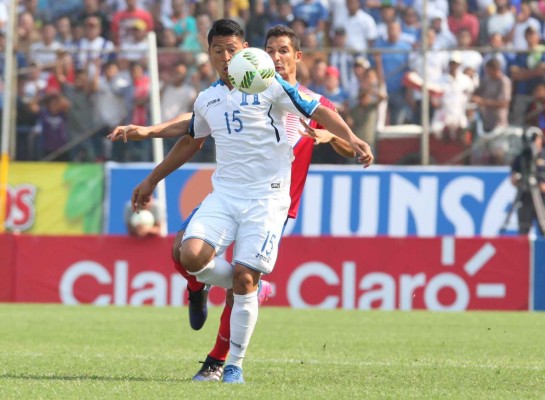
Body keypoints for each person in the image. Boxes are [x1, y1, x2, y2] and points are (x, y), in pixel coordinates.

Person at [109, 20, 372, 384]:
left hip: (271, 200)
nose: (277, 58)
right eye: (272, 50)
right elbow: (195, 128)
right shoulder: (215, 95)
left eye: (284, 51)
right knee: (185, 253)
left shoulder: (286, 93)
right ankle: (203, 287)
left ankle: (224, 363)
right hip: (228, 194)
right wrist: (151, 146)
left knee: (243, 279)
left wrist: (345, 138)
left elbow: (325, 116)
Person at [510, 129, 545, 235]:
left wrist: (540, 184)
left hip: (542, 201)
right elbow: (513, 179)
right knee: (523, 232)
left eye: (536, 139)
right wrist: (519, 180)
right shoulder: (521, 157)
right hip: (525, 198)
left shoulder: (543, 156)